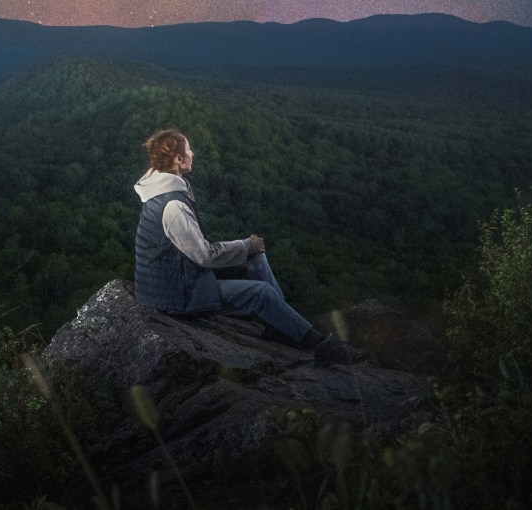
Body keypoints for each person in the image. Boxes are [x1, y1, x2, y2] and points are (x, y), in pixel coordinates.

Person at [133, 127, 367, 366]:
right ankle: (320, 346)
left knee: (255, 258)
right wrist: (245, 244)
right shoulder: (172, 205)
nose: (194, 154)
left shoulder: (162, 189)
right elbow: (204, 256)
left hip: (172, 280)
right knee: (260, 293)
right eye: (189, 150)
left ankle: (279, 324)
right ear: (178, 159)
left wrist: (247, 249)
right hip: (175, 295)